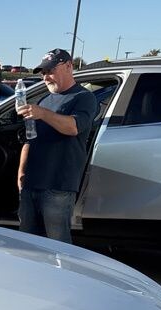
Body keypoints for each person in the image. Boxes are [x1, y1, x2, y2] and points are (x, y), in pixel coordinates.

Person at [15, 49, 98, 243]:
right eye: (43, 73)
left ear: (69, 66)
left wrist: (43, 114)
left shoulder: (83, 97)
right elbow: (30, 139)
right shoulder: (44, 100)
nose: (46, 77)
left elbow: (74, 127)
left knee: (58, 245)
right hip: (31, 184)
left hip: (57, 186)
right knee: (26, 243)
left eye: (50, 70)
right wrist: (21, 171)